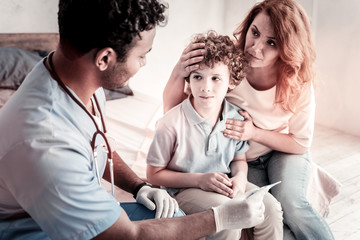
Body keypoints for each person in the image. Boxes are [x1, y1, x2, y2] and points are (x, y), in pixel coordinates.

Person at [0, 0, 269, 239]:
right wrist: (221, 218)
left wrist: (139, 186)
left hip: (59, 203)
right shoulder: (45, 144)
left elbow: (98, 146)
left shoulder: (74, 78)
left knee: (172, 218)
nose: (144, 65)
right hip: (33, 227)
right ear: (105, 58)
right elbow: (127, 235)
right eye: (142, 56)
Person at [162, 0, 335, 239]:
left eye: (271, 43)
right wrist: (178, 70)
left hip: (282, 151)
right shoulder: (227, 61)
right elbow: (173, 110)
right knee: (262, 212)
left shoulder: (296, 80)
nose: (255, 47)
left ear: (286, 49)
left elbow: (300, 143)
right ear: (248, 26)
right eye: (254, 33)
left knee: (291, 203)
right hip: (238, 157)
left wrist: (253, 133)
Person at [146, 31, 283, 240]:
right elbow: (153, 175)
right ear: (188, 80)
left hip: (224, 182)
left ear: (232, 82)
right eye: (197, 77)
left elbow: (239, 159)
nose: (205, 87)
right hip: (182, 191)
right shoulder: (171, 123)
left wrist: (239, 178)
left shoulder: (236, 118)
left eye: (216, 78)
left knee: (271, 208)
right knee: (229, 215)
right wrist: (200, 180)